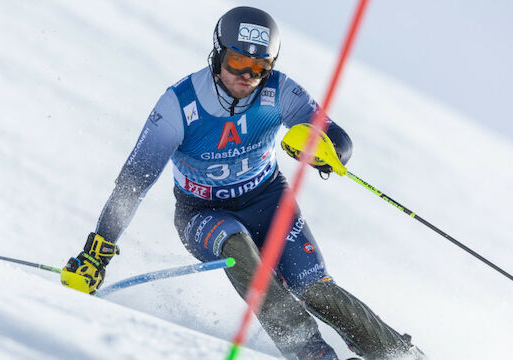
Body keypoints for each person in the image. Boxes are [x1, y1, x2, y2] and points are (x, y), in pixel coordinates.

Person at [62, 6, 425, 360]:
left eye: (260, 67)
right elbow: (133, 183)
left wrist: (325, 151)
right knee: (239, 250)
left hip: (269, 200)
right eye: (238, 62)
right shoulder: (179, 104)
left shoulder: (279, 91)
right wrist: (98, 252)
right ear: (218, 54)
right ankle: (310, 353)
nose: (248, 75)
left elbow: (335, 137)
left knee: (314, 290)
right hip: (202, 213)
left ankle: (400, 353)